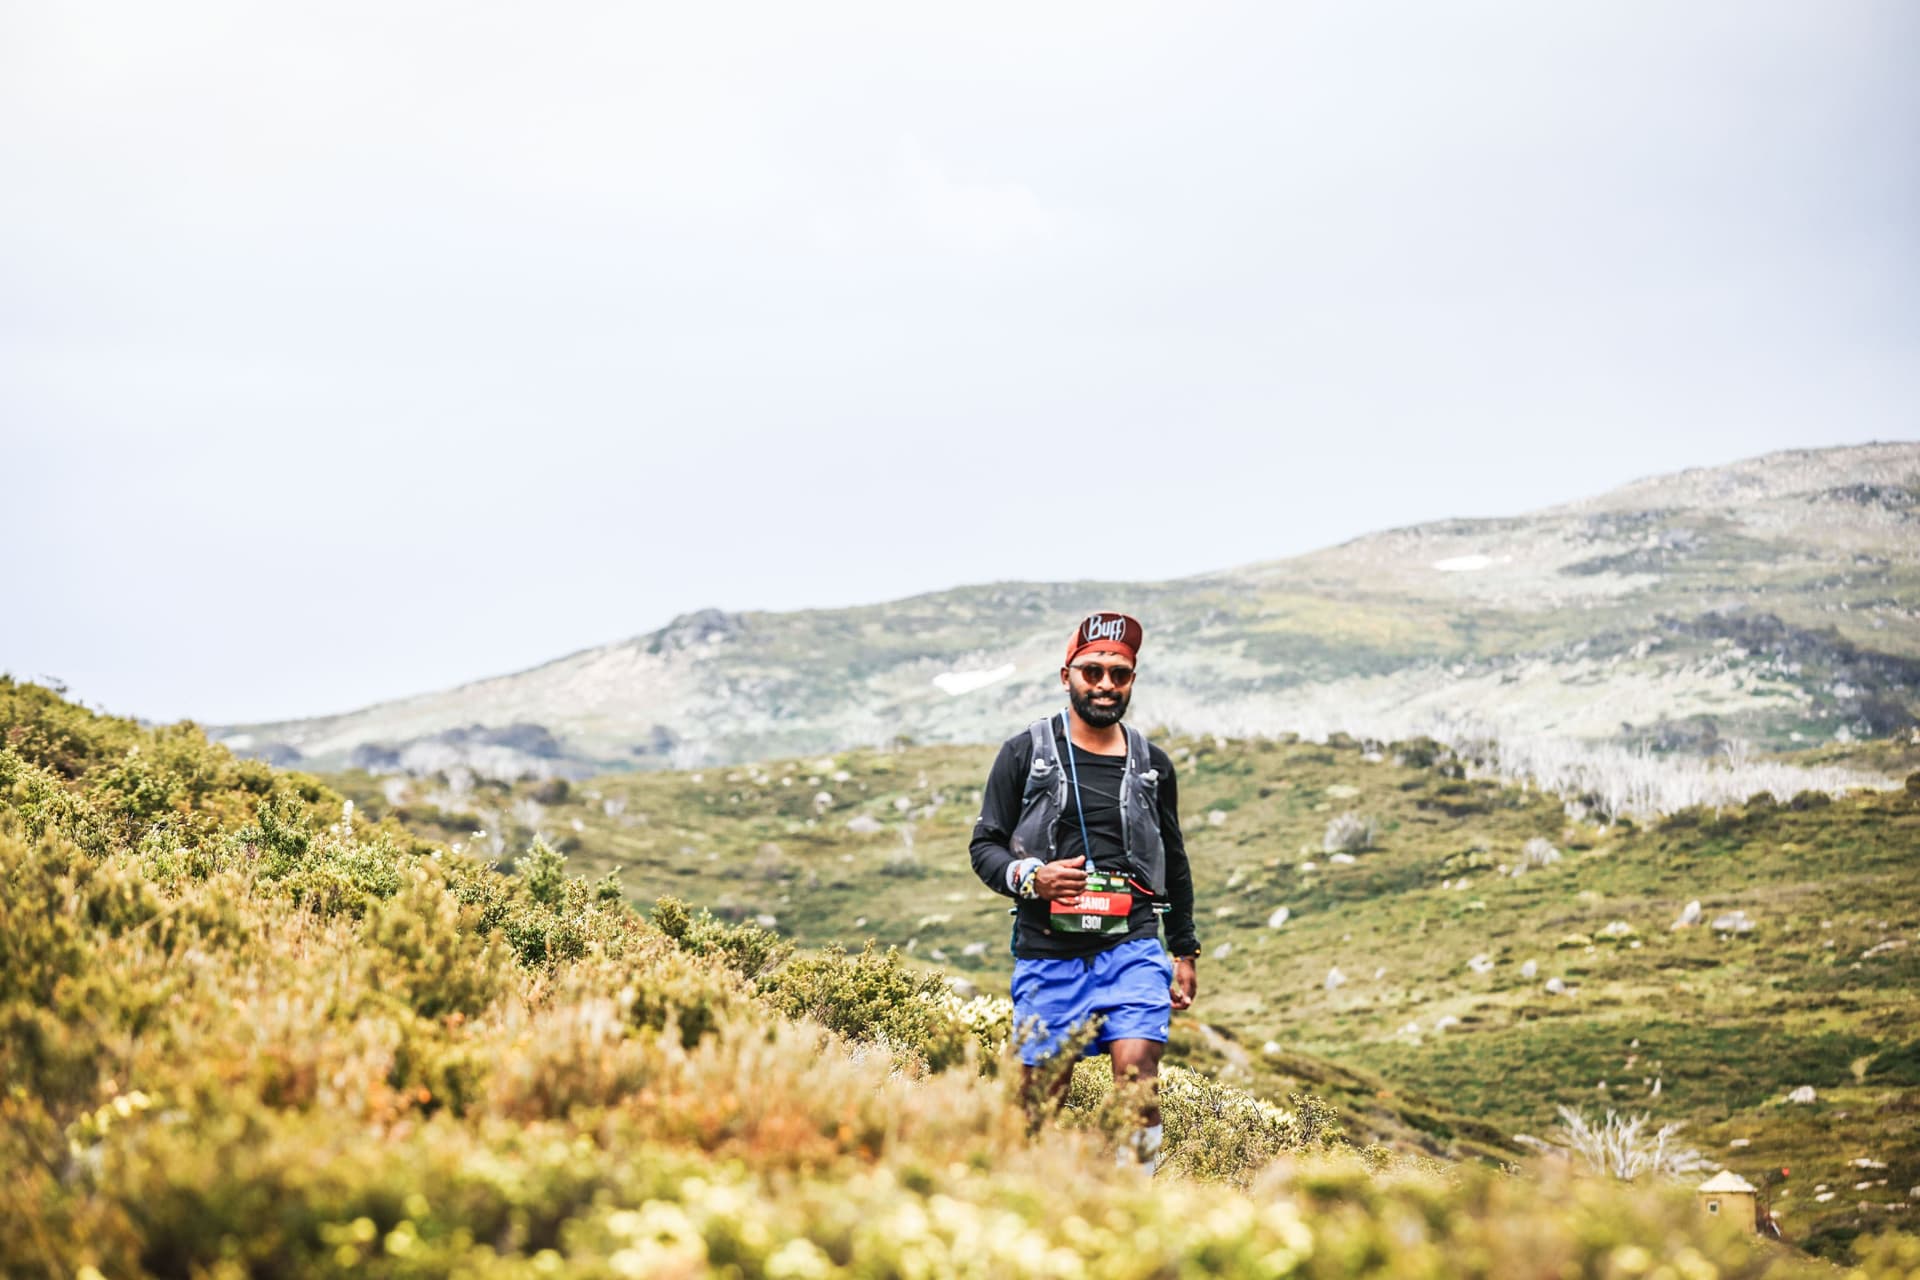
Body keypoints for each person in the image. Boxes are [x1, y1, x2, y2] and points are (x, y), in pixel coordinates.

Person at [968, 612, 1199, 1171]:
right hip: (1049, 952)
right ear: (1066, 675)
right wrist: (1032, 878)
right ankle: (1024, 1194)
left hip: (1132, 945)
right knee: (1037, 1100)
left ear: (1131, 682)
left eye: (1118, 675)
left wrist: (1184, 950)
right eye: (1092, 671)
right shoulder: (1024, 753)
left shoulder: (1152, 765)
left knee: (1138, 1075)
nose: (1105, 684)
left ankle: (1133, 1202)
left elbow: (1175, 858)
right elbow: (985, 847)